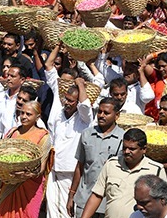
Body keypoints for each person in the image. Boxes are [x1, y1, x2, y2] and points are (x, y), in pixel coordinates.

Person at [45, 45, 93, 218]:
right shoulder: (59, 112)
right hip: (53, 167)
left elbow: (86, 107)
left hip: (70, 171)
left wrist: (80, 86)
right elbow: (48, 67)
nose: (68, 103)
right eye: (66, 99)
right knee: (52, 207)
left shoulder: (84, 120)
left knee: (66, 211)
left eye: (72, 101)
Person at [80, 128, 167, 218]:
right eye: (124, 148)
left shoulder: (156, 170)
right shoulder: (111, 164)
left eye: (132, 149)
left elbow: (163, 205)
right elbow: (97, 195)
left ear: (144, 149)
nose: (126, 152)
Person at [67, 97, 125, 218]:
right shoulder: (86, 134)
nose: (101, 115)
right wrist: (71, 195)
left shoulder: (123, 138)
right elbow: (80, 166)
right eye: (99, 111)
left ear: (117, 115)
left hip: (109, 203)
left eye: (106, 113)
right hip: (84, 199)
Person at [0, 101, 51, 218]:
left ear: (38, 117)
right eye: (22, 113)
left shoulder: (43, 136)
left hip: (31, 187)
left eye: (29, 114)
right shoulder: (13, 133)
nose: (24, 117)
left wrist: (26, 174)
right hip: (10, 182)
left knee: (28, 214)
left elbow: (41, 168)